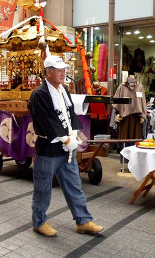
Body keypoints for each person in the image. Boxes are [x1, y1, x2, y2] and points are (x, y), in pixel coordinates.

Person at [28, 55, 103, 237]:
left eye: (64, 69)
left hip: (66, 151)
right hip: (48, 148)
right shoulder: (40, 94)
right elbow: (47, 121)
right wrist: (67, 141)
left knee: (74, 185)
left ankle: (83, 221)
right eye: (59, 69)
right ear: (48, 71)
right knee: (43, 187)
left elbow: (70, 116)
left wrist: (77, 132)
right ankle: (39, 222)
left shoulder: (63, 91)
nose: (63, 73)